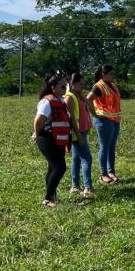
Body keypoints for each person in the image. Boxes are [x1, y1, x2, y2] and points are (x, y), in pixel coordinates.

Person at [31, 72, 71, 207]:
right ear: (53, 87)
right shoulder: (47, 101)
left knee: (52, 168)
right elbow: (38, 120)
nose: (65, 90)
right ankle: (48, 199)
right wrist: (36, 133)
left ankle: (52, 195)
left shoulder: (60, 100)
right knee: (60, 168)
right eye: (62, 87)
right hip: (47, 138)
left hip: (58, 139)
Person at [87, 65, 122, 184]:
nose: (113, 76)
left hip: (115, 120)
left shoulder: (113, 86)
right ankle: (103, 174)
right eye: (111, 74)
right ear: (103, 75)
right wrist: (95, 114)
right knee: (104, 147)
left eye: (113, 73)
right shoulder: (98, 86)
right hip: (104, 121)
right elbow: (87, 100)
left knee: (112, 147)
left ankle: (111, 171)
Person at [64, 73, 95, 198]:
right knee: (87, 159)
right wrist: (79, 136)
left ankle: (75, 186)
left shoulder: (79, 96)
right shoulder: (69, 97)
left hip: (83, 131)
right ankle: (88, 188)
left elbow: (91, 108)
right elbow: (71, 119)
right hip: (77, 133)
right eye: (80, 84)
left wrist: (85, 98)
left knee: (76, 159)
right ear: (72, 84)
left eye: (83, 84)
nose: (83, 86)